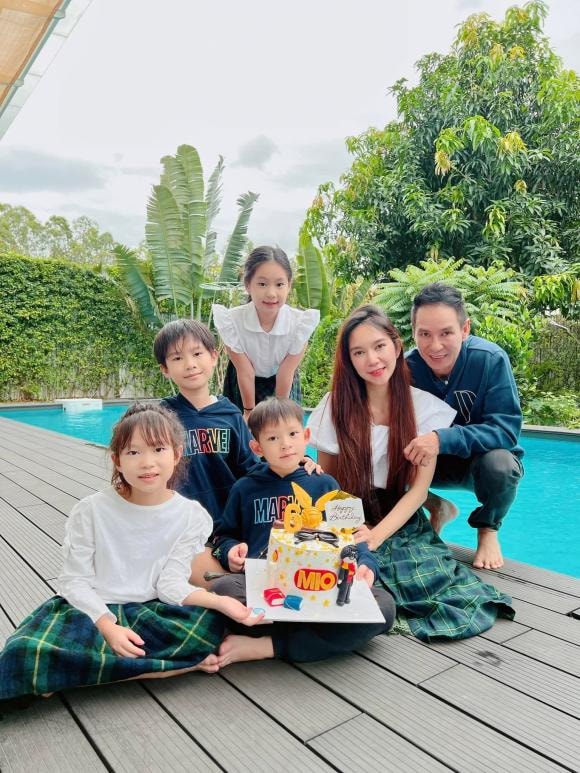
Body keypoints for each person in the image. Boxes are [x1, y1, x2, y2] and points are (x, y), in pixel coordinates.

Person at [0, 403, 263, 707]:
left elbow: (170, 586)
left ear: (176, 454)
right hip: (92, 609)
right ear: (117, 460)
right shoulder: (91, 510)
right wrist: (108, 627)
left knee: (209, 624)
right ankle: (172, 666)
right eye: (133, 452)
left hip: (154, 611)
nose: (147, 463)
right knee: (23, 650)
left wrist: (221, 602)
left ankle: (70, 673)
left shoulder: (191, 516)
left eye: (158, 449)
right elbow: (74, 582)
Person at [307, 305, 513, 642]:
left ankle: (443, 517)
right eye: (359, 352)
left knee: (426, 580)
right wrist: (352, 527)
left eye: (379, 346)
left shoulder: (424, 408)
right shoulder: (334, 405)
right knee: (342, 571)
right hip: (350, 508)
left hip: (398, 509)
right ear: (349, 359)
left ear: (396, 346)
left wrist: (376, 535)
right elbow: (330, 484)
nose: (372, 360)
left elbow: (417, 490)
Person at [210, 397, 396, 666]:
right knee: (222, 589)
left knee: (384, 607)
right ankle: (315, 637)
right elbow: (222, 536)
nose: (285, 444)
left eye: (293, 434)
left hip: (323, 585)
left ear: (306, 436)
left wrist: (366, 564)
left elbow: (355, 537)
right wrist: (229, 551)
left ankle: (270, 645)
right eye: (272, 438)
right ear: (257, 447)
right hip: (268, 586)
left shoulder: (326, 484)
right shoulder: (244, 488)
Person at [153, 319, 318, 587]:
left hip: (228, 527)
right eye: (177, 358)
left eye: (197, 353)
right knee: (214, 580)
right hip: (183, 529)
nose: (190, 364)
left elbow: (251, 466)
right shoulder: (161, 418)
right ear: (165, 369)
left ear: (213, 357)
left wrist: (296, 463)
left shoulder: (229, 415)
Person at [404, 283, 524, 570]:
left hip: (478, 464)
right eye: (425, 334)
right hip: (427, 464)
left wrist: (442, 439)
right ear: (414, 332)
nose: (435, 346)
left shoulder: (490, 360)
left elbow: (506, 430)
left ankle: (488, 529)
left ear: (464, 329)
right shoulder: (406, 368)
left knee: (501, 466)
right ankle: (436, 507)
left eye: (446, 333)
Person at [212, 246, 319, 420]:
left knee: (283, 425)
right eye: (262, 284)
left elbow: (286, 372)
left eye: (279, 284)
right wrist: (248, 411)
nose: (271, 293)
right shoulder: (232, 322)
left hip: (283, 382)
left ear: (289, 285)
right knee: (241, 432)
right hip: (243, 383)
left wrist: (279, 413)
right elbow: (245, 371)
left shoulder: (300, 324)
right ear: (248, 285)